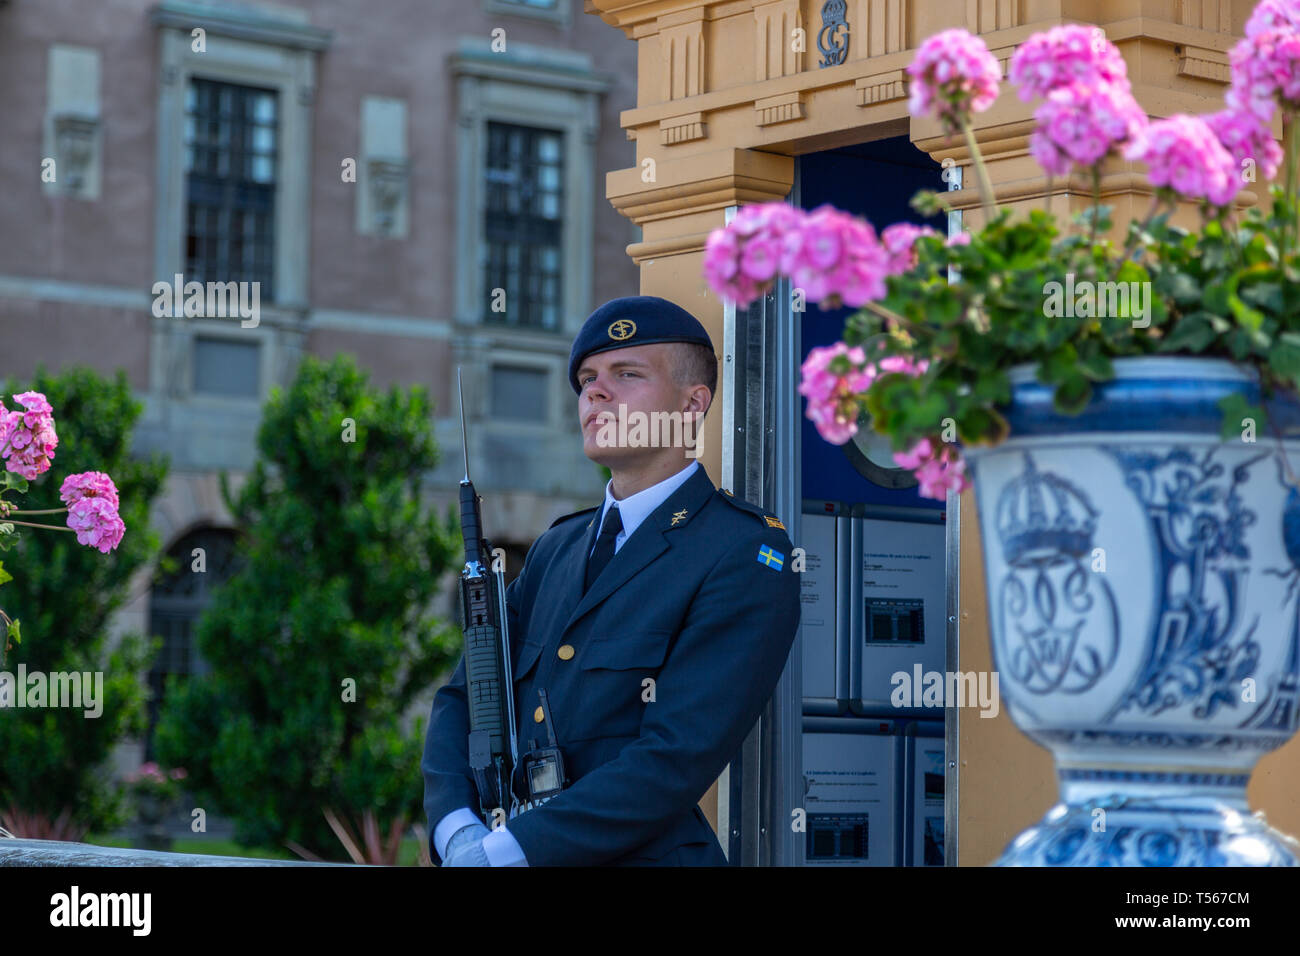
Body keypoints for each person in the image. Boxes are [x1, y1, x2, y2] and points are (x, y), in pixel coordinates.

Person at [422, 294, 800, 866]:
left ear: (692, 403)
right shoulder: (557, 548)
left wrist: (509, 852)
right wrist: (456, 831)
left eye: (627, 374)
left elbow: (675, 756)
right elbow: (465, 696)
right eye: (587, 378)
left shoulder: (744, 551)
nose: (595, 392)